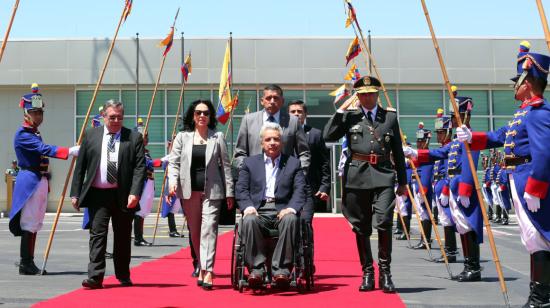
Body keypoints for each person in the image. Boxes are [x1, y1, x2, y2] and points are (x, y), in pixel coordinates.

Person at [455, 41, 550, 306]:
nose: (514, 86)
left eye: (517, 81)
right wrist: (471, 136)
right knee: (534, 239)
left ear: (528, 82)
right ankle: (539, 295)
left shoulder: (539, 113)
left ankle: (541, 297)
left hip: (528, 179)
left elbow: (544, 153)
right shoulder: (524, 113)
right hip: (518, 177)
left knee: (539, 237)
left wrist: (535, 187)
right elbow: (500, 137)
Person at [324, 76, 407, 293]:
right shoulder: (349, 117)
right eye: (362, 94)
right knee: (361, 227)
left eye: (371, 93)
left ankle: (385, 272)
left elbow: (397, 151)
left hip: (383, 175)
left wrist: (403, 181)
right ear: (357, 96)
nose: (367, 97)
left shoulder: (389, 117)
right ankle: (368, 272)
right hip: (357, 176)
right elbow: (328, 135)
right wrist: (341, 112)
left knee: (385, 221)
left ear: (377, 94)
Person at [404, 87, 483, 282]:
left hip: (464, 188)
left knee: (468, 225)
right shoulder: (456, 141)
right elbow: (437, 154)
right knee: (462, 226)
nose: (453, 121)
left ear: (464, 116)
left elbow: (470, 164)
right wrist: (414, 153)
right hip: (454, 187)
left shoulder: (469, 137)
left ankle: (473, 266)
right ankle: (468, 265)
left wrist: (464, 188)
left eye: (456, 117)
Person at [71, 99, 146, 289]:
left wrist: (135, 192)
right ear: (103, 116)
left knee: (122, 237)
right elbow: (81, 167)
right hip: (98, 194)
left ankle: (123, 275)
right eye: (112, 117)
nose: (116, 121)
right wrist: (75, 193)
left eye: (119, 118)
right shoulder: (91, 135)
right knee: (97, 235)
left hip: (123, 195)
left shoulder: (134, 137)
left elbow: (139, 168)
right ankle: (95, 277)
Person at [10, 83, 79, 275]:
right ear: (26, 113)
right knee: (29, 222)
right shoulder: (23, 134)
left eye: (40, 113)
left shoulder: (34, 132)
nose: (38, 116)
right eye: (34, 113)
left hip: (39, 180)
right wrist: (69, 151)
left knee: (36, 221)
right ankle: (26, 262)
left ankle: (28, 261)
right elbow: (44, 149)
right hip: (30, 181)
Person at [167, 99, 234, 290]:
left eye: (206, 113)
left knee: (209, 229)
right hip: (188, 191)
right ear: (193, 116)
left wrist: (230, 193)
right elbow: (174, 163)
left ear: (211, 116)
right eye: (198, 112)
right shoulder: (182, 137)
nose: (202, 116)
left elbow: (226, 167)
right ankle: (202, 266)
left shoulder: (218, 136)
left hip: (213, 191)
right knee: (195, 233)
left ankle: (208, 270)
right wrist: (172, 183)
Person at [235, 122, 306, 290]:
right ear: (262, 143)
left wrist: (291, 208)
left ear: (281, 142)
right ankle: (257, 270)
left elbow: (300, 190)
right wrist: (248, 207)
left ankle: (281, 270)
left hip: (282, 209)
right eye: (268, 139)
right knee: (249, 220)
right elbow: (241, 189)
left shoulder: (293, 163)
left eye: (276, 139)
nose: (272, 142)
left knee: (291, 219)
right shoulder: (249, 163)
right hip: (258, 209)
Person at [234, 84, 310, 173]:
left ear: (282, 101)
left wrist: (299, 175)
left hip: (284, 178)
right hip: (255, 178)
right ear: (262, 101)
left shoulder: (293, 121)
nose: (272, 101)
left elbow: (304, 153)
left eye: (276, 98)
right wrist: (246, 172)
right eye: (268, 98)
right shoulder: (248, 120)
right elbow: (240, 152)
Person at [288, 100, 331, 213]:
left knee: (305, 221)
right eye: (293, 111)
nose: (296, 114)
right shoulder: (281, 133)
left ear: (305, 114)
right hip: (287, 187)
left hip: (309, 187)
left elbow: (324, 163)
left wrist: (324, 187)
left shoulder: (315, 134)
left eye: (299, 111)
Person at [133, 127, 168, 247]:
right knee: (139, 212)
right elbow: (147, 164)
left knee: (143, 212)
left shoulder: (145, 151)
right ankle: (138, 238)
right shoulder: (136, 150)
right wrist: (163, 159)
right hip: (141, 184)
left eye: (147, 136)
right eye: (144, 136)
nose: (146, 139)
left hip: (148, 182)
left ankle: (140, 236)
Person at [431, 112, 459, 263]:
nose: (439, 135)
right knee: (444, 219)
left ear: (448, 132)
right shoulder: (443, 147)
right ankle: (449, 250)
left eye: (441, 132)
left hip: (445, 187)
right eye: (438, 133)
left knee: (448, 219)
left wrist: (446, 189)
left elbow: (450, 170)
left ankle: (451, 252)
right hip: (439, 185)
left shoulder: (450, 148)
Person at [410, 122, 434, 250]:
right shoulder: (420, 154)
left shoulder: (427, 154)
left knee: (425, 213)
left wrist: (422, 189)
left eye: (421, 141)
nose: (419, 143)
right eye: (418, 141)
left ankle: (426, 240)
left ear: (427, 141)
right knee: (421, 213)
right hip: (417, 185)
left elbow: (426, 173)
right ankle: (423, 239)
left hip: (423, 187)